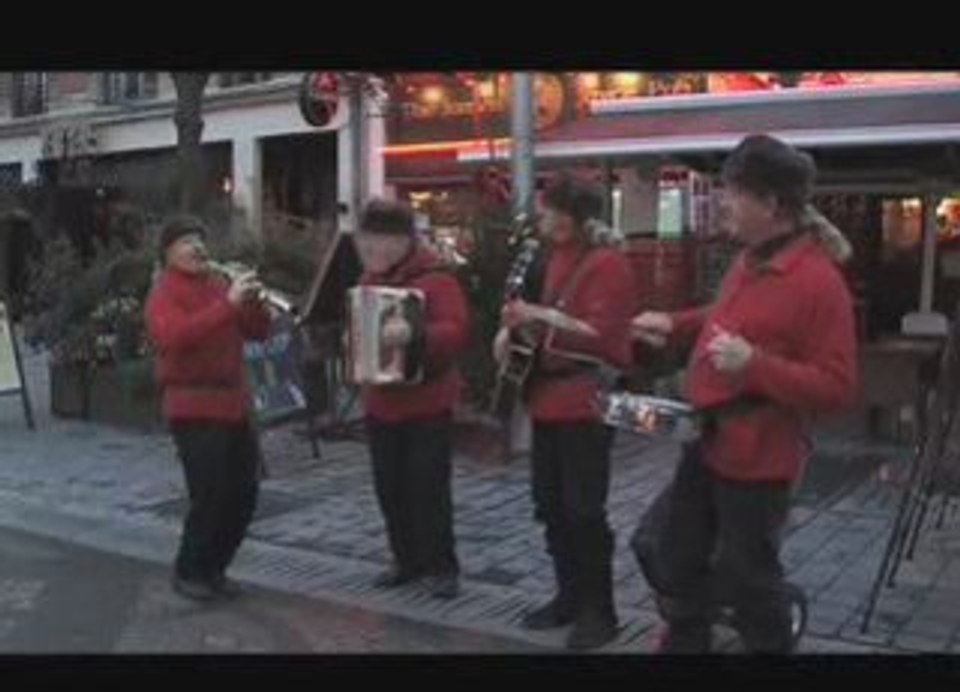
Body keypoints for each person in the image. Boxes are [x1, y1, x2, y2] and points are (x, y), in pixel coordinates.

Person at [632, 134, 858, 653]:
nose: (723, 202)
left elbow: (838, 387)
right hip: (708, 442)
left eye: (734, 192)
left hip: (759, 460)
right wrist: (674, 324)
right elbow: (722, 320)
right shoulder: (749, 261)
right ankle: (688, 639)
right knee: (671, 554)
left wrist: (755, 365)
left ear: (771, 204)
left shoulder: (818, 282)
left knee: (751, 584)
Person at [494, 173, 636, 650]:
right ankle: (569, 596)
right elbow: (527, 315)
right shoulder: (545, 256)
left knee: (584, 509)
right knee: (550, 504)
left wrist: (538, 317)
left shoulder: (608, 264)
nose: (542, 217)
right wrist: (510, 333)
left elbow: (602, 335)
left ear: (573, 217)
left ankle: (601, 610)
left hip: (586, 401)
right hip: (546, 397)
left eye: (550, 209)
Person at [145, 215, 271, 602]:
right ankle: (190, 569)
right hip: (193, 405)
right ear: (167, 253)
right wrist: (227, 306)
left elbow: (258, 331)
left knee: (244, 494)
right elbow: (173, 337)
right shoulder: (164, 292)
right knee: (210, 494)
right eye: (185, 242)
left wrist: (254, 302)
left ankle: (216, 567)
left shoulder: (219, 284)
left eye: (199, 240)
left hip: (233, 404)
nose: (197, 248)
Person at [354, 199, 469, 599]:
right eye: (368, 240)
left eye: (384, 240)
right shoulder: (367, 281)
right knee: (389, 487)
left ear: (405, 241)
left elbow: (456, 331)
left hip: (427, 403)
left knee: (428, 487)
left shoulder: (436, 280)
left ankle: (441, 566)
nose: (374, 249)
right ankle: (405, 559)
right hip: (381, 403)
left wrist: (416, 333)